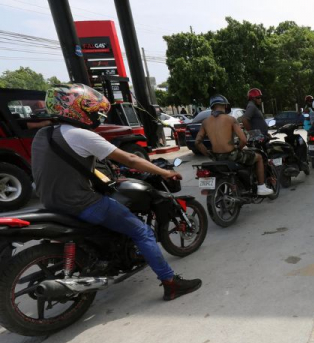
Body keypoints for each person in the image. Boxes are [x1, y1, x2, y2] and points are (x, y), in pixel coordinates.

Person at [32, 84, 202, 301]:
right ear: (77, 110)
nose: (96, 117)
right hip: (79, 202)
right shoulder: (80, 135)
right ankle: (171, 283)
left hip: (50, 202)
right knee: (142, 232)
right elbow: (131, 159)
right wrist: (165, 172)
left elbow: (65, 167)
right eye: (92, 111)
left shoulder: (43, 134)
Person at [194, 95, 274, 196]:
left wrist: (209, 154)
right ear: (225, 105)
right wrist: (238, 148)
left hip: (217, 157)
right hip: (232, 155)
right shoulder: (231, 119)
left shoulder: (205, 122)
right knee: (259, 157)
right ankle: (261, 187)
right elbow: (243, 140)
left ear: (212, 107)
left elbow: (197, 142)